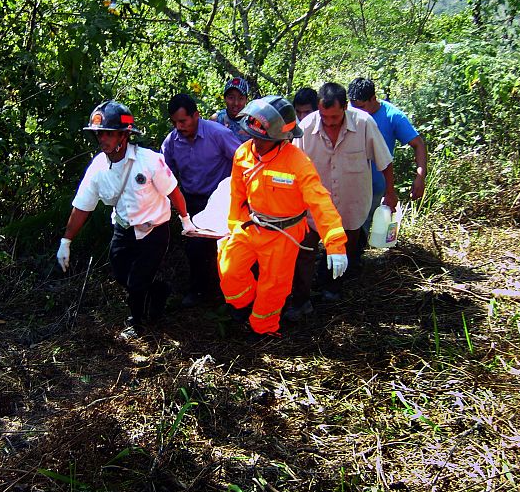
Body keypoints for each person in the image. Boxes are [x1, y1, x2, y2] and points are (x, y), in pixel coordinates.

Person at [56, 100, 196, 339]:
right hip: (123, 230)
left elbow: (173, 191)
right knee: (122, 275)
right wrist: (66, 241)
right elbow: (82, 207)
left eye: (108, 134)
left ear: (124, 135)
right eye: (99, 134)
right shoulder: (98, 167)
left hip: (155, 231)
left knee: (136, 280)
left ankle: (136, 324)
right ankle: (159, 291)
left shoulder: (149, 160)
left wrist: (186, 220)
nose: (103, 139)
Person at [218, 95, 348, 338]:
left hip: (284, 234)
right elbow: (237, 194)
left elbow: (320, 201)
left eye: (260, 135)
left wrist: (335, 245)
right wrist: (233, 227)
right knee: (229, 269)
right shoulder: (243, 154)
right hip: (250, 225)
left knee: (274, 288)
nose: (254, 139)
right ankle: (244, 305)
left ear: (278, 136)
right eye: (252, 132)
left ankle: (263, 330)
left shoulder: (297, 162)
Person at [289, 82, 396, 317]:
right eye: (324, 116)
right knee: (304, 251)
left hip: (351, 202)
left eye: (335, 117)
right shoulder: (306, 126)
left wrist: (390, 192)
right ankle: (301, 300)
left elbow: (385, 161)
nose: (328, 122)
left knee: (343, 250)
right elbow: (293, 167)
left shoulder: (364, 124)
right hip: (313, 207)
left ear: (345, 107)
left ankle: (332, 289)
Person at [162, 93, 241, 307]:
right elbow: (163, 173)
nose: (179, 126)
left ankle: (230, 294)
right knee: (195, 248)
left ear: (196, 115)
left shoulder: (218, 134)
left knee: (227, 247)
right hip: (192, 201)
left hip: (221, 199)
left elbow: (243, 162)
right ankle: (199, 291)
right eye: (175, 122)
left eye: (183, 121)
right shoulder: (171, 142)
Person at [347, 78, 427, 251]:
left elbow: (418, 144)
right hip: (348, 183)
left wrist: (420, 177)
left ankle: (354, 266)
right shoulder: (346, 113)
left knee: (360, 229)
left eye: (361, 107)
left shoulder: (393, 116)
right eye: (353, 106)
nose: (356, 112)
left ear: (373, 98)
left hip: (375, 187)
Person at [210, 77, 251, 143]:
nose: (236, 103)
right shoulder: (216, 120)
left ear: (246, 99)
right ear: (225, 98)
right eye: (231, 98)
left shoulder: (252, 121)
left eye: (240, 98)